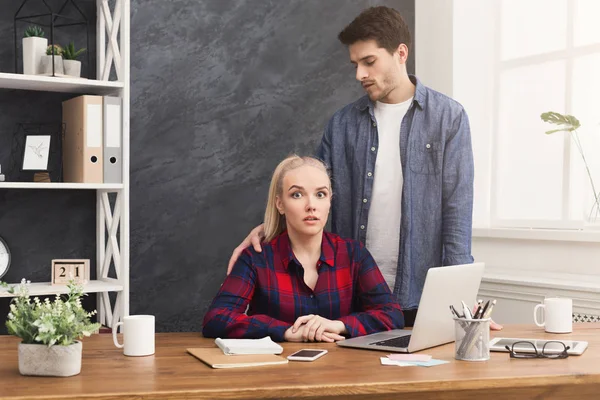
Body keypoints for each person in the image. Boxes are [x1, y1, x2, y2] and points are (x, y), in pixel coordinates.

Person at [226, 7, 502, 330]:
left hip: (420, 300)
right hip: (351, 305)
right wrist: (269, 227)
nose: (359, 74)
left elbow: (456, 216)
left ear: (401, 53)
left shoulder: (448, 119)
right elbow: (312, 193)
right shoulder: (341, 125)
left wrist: (461, 300)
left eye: (369, 62)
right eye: (355, 64)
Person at [203, 155, 404, 342]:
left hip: (343, 372)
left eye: (320, 194)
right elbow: (216, 319)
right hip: (275, 373)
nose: (311, 205)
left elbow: (392, 314)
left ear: (329, 202)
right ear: (280, 204)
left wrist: (338, 326)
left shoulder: (354, 254)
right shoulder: (256, 258)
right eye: (297, 194)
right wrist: (285, 331)